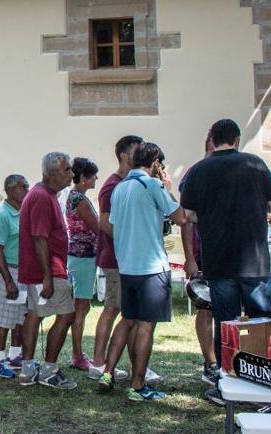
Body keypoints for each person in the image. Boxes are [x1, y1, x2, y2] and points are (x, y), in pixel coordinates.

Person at [180, 118, 271, 358]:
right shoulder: (254, 164)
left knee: (226, 325)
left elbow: (188, 214)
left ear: (212, 141)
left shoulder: (198, 170)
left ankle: (227, 375)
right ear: (237, 140)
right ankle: (265, 371)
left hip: (218, 259)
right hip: (254, 261)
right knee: (262, 323)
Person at [101, 142, 186, 402]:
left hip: (127, 265)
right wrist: (167, 188)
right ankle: (138, 385)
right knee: (146, 327)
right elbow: (180, 216)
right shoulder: (152, 185)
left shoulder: (120, 188)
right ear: (156, 163)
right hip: (151, 266)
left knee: (127, 320)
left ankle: (107, 371)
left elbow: (113, 223)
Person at [17, 151, 78, 390]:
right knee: (66, 315)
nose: (71, 175)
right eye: (67, 170)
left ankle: (28, 369)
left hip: (44, 269)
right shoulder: (42, 196)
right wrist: (48, 277)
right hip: (47, 269)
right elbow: (40, 239)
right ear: (52, 173)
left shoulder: (45, 194)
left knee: (35, 314)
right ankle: (48, 370)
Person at [90, 134, 142, 381]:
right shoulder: (112, 185)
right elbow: (104, 221)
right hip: (116, 258)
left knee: (127, 312)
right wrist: (128, 240)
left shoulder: (130, 182)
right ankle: (98, 363)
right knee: (112, 308)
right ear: (124, 155)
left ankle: (132, 365)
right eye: (136, 151)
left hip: (127, 258)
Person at [179, 136, 220, 389]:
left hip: (228, 252)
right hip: (203, 250)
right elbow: (186, 218)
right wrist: (189, 257)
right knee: (205, 308)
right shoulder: (194, 174)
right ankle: (211, 362)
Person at [0, 174, 28, 379]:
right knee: (4, 316)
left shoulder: (22, 212)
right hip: (9, 271)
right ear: (10, 190)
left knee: (19, 315)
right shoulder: (3, 215)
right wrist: (8, 281)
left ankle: (15, 355)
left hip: (22, 271)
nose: (27, 190)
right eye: (23, 187)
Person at [65, 157, 99, 372]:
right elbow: (97, 227)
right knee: (81, 308)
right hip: (84, 257)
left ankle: (77, 352)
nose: (96, 178)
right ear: (85, 178)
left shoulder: (74, 197)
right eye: (94, 174)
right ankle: (77, 354)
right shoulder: (82, 201)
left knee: (80, 307)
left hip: (78, 255)